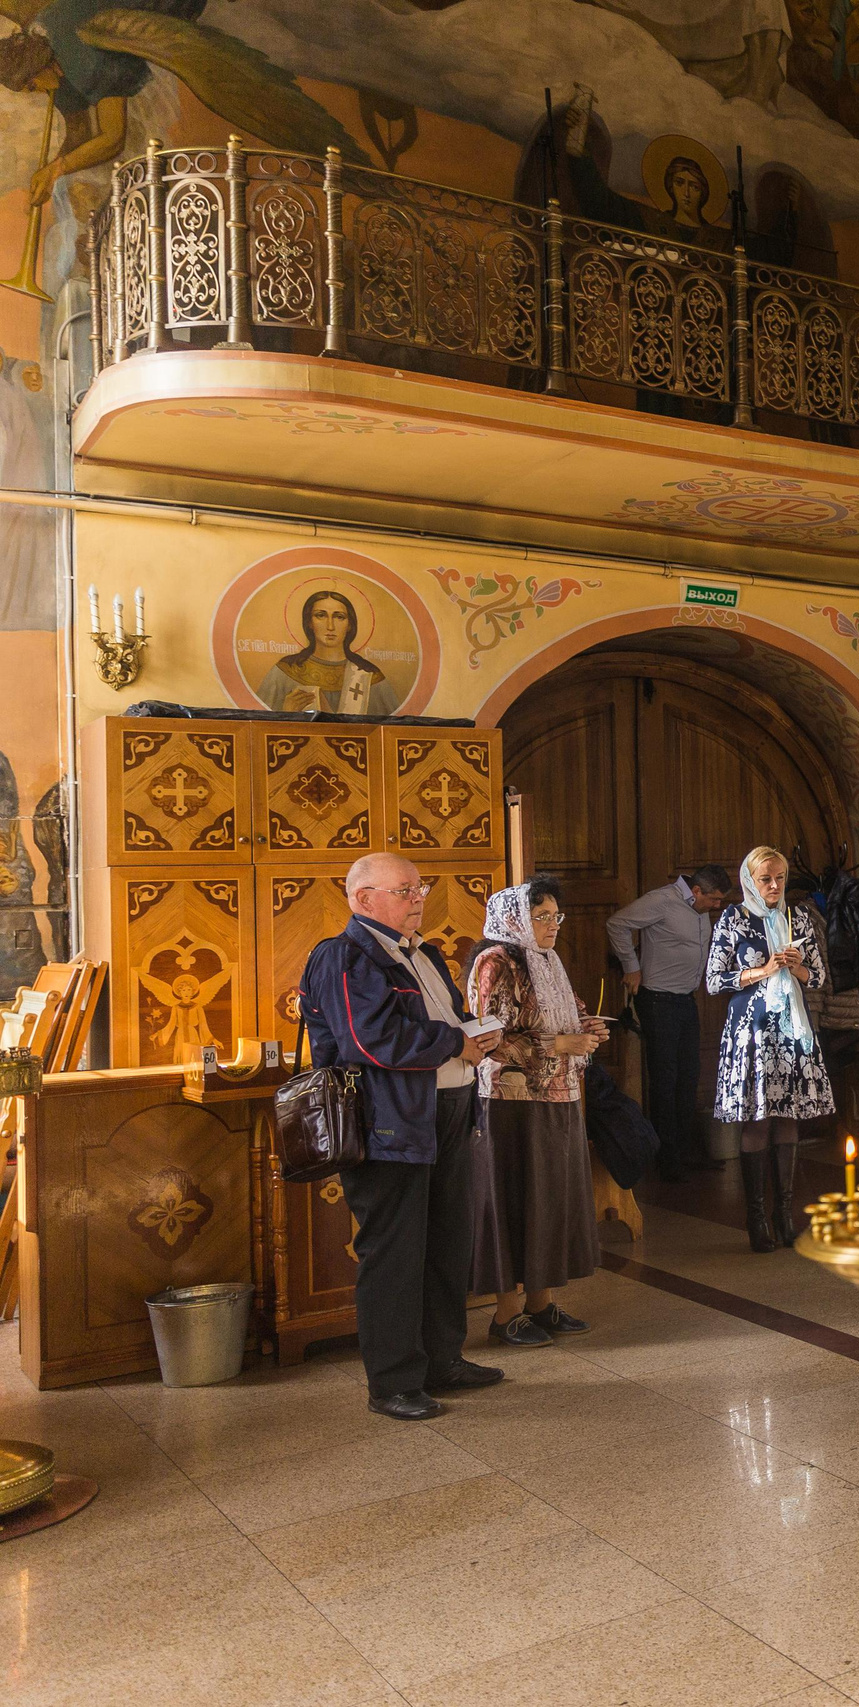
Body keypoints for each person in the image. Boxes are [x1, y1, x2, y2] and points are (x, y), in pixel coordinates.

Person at [298, 853, 501, 1421]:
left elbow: (451, 1019)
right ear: (364, 900)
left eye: (421, 887)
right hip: (390, 1122)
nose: (419, 898)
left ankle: (443, 1361)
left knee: (447, 1243)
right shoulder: (345, 956)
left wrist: (478, 1038)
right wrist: (452, 1044)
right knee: (394, 1253)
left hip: (449, 1110)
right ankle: (392, 1382)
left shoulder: (426, 953)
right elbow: (370, 1040)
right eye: (405, 889)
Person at [468, 879, 609, 1346]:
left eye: (555, 917)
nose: (552, 927)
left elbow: (563, 1014)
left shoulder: (548, 961)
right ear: (513, 920)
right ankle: (505, 1315)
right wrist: (559, 1044)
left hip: (559, 1094)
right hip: (511, 1103)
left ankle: (541, 1305)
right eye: (541, 917)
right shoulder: (495, 963)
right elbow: (488, 1038)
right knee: (513, 1199)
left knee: (549, 1199)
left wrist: (584, 1028)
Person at [708, 846, 835, 1253]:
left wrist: (796, 966)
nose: (775, 885)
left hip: (792, 1030)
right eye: (766, 879)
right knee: (759, 1120)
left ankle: (785, 1215)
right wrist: (763, 970)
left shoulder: (799, 917)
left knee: (789, 1118)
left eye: (780, 877)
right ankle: (756, 1218)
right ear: (750, 880)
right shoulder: (734, 918)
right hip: (752, 1031)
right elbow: (713, 980)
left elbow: (817, 978)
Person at [607, 863, 733, 1181]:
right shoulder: (661, 901)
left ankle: (685, 1151)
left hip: (685, 1000)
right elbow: (617, 924)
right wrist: (631, 967)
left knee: (689, 1077)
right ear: (697, 891)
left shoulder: (699, 905)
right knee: (665, 1080)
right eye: (714, 900)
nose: (717, 907)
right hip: (658, 1000)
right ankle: (667, 1160)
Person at [257, 589, 401, 715]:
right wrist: (287, 713)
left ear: (350, 624)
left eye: (339, 617)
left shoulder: (369, 676)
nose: (330, 626)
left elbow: (395, 727)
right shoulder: (284, 671)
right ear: (309, 622)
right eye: (321, 615)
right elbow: (257, 724)